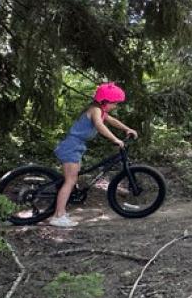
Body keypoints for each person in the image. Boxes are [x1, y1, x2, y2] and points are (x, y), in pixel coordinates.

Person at [49, 82, 137, 228]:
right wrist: (115, 139)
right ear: (105, 101)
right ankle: (58, 216)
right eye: (114, 103)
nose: (115, 106)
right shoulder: (95, 110)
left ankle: (61, 211)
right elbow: (99, 125)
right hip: (72, 146)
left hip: (77, 146)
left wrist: (127, 129)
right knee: (70, 181)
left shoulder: (100, 110)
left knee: (72, 180)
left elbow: (112, 121)